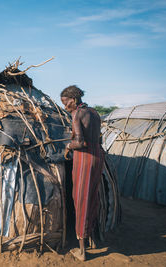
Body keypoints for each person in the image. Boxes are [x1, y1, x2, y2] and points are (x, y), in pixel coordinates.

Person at [60, 85, 104, 261]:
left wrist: (68, 146)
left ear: (73, 100)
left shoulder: (77, 114)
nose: (64, 107)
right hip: (98, 156)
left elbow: (80, 142)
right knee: (92, 196)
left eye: (65, 102)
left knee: (81, 199)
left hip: (85, 159)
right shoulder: (94, 112)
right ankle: (92, 238)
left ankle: (82, 251)